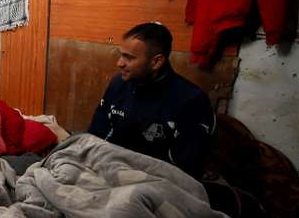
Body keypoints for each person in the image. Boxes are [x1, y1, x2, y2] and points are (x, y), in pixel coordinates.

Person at [88, 22, 215, 178]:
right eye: (120, 55)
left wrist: (128, 176)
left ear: (156, 61)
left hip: (157, 180)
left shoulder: (191, 100)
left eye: (129, 57)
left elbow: (183, 169)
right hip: (109, 168)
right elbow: (96, 135)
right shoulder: (119, 84)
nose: (119, 63)